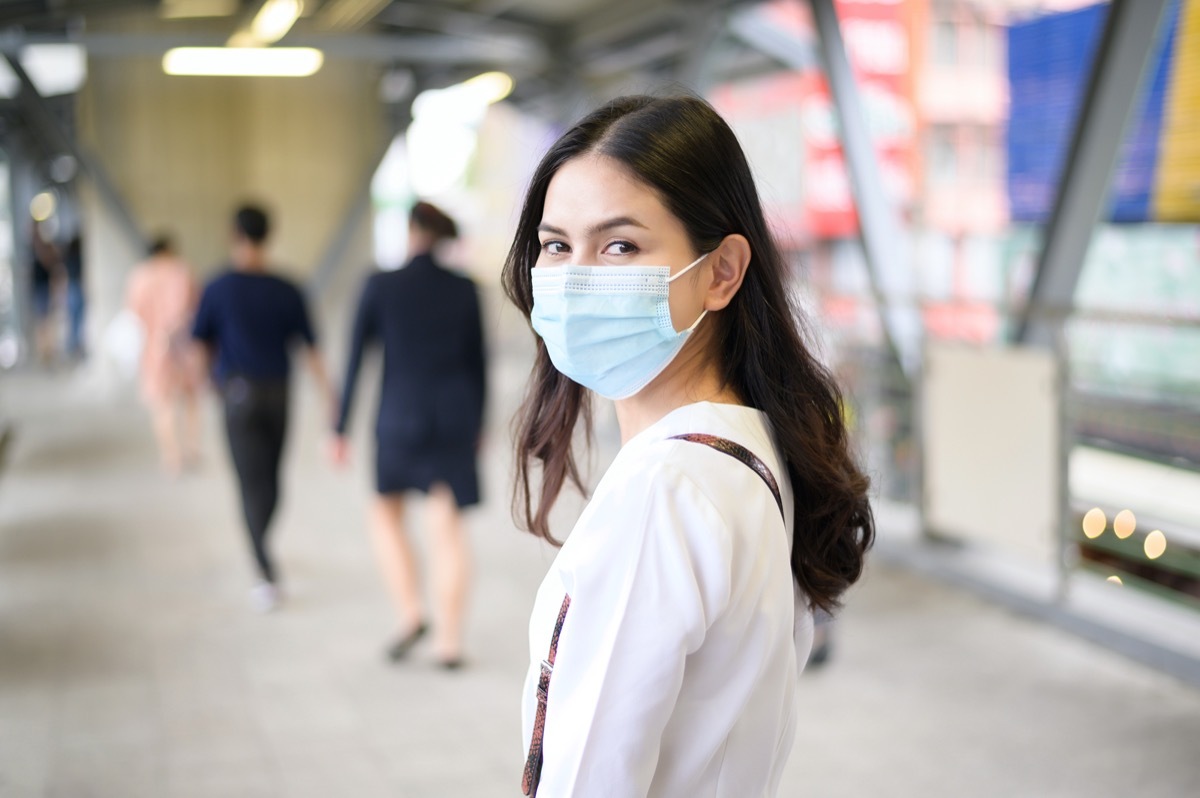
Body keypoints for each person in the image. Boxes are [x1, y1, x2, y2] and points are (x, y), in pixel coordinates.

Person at [502, 95, 875, 797]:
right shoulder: (751, 449)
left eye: (620, 245)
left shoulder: (666, 488)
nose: (577, 277)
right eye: (556, 245)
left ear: (722, 271)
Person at [332, 201, 486, 669]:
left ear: (412, 231)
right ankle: (449, 642)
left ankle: (411, 612)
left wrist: (338, 428)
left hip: (399, 417)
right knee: (447, 527)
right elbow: (478, 364)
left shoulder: (381, 284)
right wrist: (478, 423)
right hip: (454, 419)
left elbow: (356, 360)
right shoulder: (466, 290)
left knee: (385, 515)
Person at [192, 206, 335, 612]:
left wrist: (206, 384)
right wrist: (330, 396)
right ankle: (265, 565)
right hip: (279, 394)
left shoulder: (217, 286)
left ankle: (261, 561)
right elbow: (312, 350)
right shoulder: (288, 287)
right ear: (268, 235)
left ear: (233, 234)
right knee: (269, 481)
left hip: (238, 394)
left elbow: (200, 343)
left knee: (253, 482)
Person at [125, 235, 203, 474]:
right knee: (190, 398)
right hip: (183, 346)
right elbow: (197, 307)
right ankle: (191, 448)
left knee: (162, 403)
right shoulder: (182, 272)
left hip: (153, 347)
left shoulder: (139, 276)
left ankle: (171, 456)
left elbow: (133, 312)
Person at [29, 223, 62, 366]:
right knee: (41, 321)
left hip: (45, 287)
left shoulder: (45, 247)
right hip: (37, 288)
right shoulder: (31, 248)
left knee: (47, 320)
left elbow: (53, 264)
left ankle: (48, 350)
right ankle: (44, 351)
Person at [64, 235, 87, 360]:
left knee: (73, 320)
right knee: (78, 319)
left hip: (71, 288)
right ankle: (76, 347)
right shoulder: (77, 257)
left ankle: (74, 347)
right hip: (76, 287)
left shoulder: (68, 257)